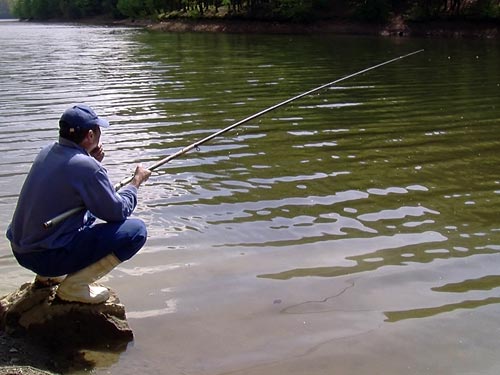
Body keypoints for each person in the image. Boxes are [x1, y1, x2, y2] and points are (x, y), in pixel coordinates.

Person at [6, 104, 151, 304]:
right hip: (45, 257)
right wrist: (136, 183)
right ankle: (75, 286)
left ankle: (47, 277)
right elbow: (118, 212)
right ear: (90, 135)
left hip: (21, 250)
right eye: (99, 130)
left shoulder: (46, 151)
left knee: (89, 211)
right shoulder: (87, 167)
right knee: (136, 231)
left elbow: (70, 179)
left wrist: (90, 159)